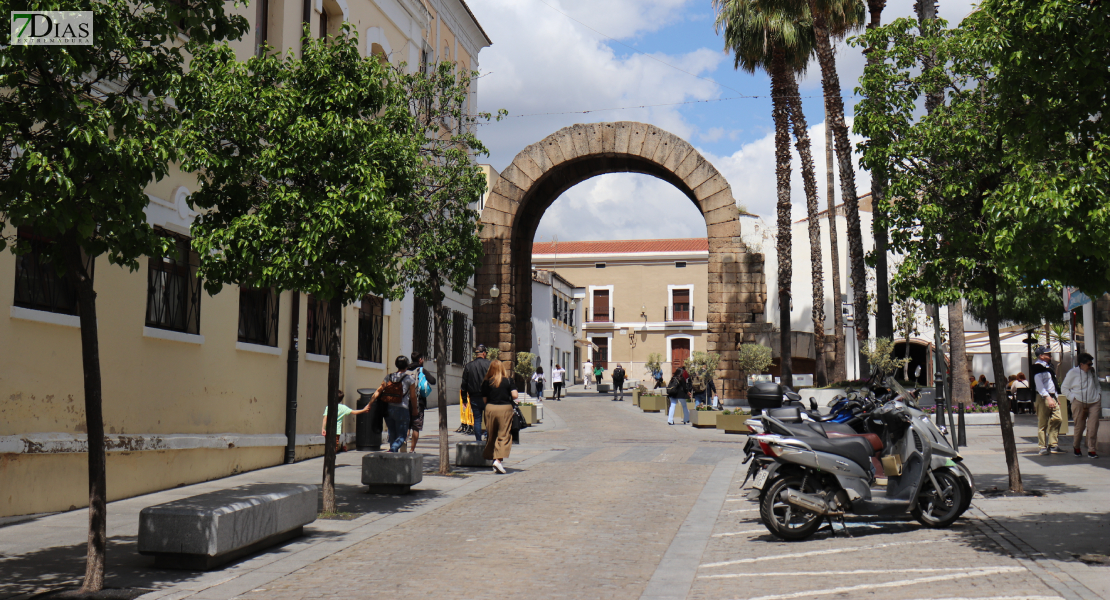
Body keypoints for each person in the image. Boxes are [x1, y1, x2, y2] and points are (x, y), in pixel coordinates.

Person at [367, 356, 419, 452]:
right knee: (402, 436)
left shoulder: (389, 377)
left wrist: (369, 403)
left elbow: (379, 390)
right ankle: (393, 450)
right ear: (407, 366)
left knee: (392, 434)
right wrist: (415, 409)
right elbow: (413, 396)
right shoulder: (409, 379)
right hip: (402, 409)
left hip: (388, 409)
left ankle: (392, 455)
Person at [480, 360, 519, 474]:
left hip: (490, 408)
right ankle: (498, 460)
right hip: (505, 409)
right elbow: (515, 395)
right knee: (504, 435)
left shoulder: (487, 382)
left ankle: (493, 459)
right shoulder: (508, 380)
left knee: (491, 435)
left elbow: (485, 399)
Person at [1062, 352, 1100, 459]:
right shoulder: (1072, 372)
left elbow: (1097, 384)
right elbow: (1064, 388)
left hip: (1094, 402)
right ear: (1081, 364)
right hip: (1079, 402)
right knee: (1080, 426)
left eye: (1091, 364)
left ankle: (1091, 449)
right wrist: (1073, 398)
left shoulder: (1092, 372)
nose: (1090, 366)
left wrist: (1099, 395)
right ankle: (1076, 446)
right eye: (1088, 364)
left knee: (1093, 427)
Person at [1031, 345, 1064, 455]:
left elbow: (1052, 383)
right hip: (1043, 397)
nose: (1050, 355)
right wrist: (1048, 398)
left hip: (1052, 396)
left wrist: (1056, 396)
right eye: (1047, 354)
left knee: (1057, 419)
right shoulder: (1037, 368)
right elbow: (1040, 386)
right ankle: (1042, 447)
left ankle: (1053, 444)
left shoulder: (1049, 366)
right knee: (1043, 422)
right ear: (1041, 356)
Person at [408, 351, 437, 453]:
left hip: (406, 402)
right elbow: (433, 381)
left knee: (407, 425)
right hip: (418, 401)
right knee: (416, 426)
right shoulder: (421, 370)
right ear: (420, 360)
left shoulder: (406, 369)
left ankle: (402, 446)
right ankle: (412, 450)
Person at [462, 344, 492, 442]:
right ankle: (487, 436)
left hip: (474, 396)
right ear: (484, 353)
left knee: (477, 420)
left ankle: (478, 440)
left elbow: (464, 384)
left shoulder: (468, 366)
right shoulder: (489, 364)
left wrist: (464, 399)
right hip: (487, 396)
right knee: (488, 418)